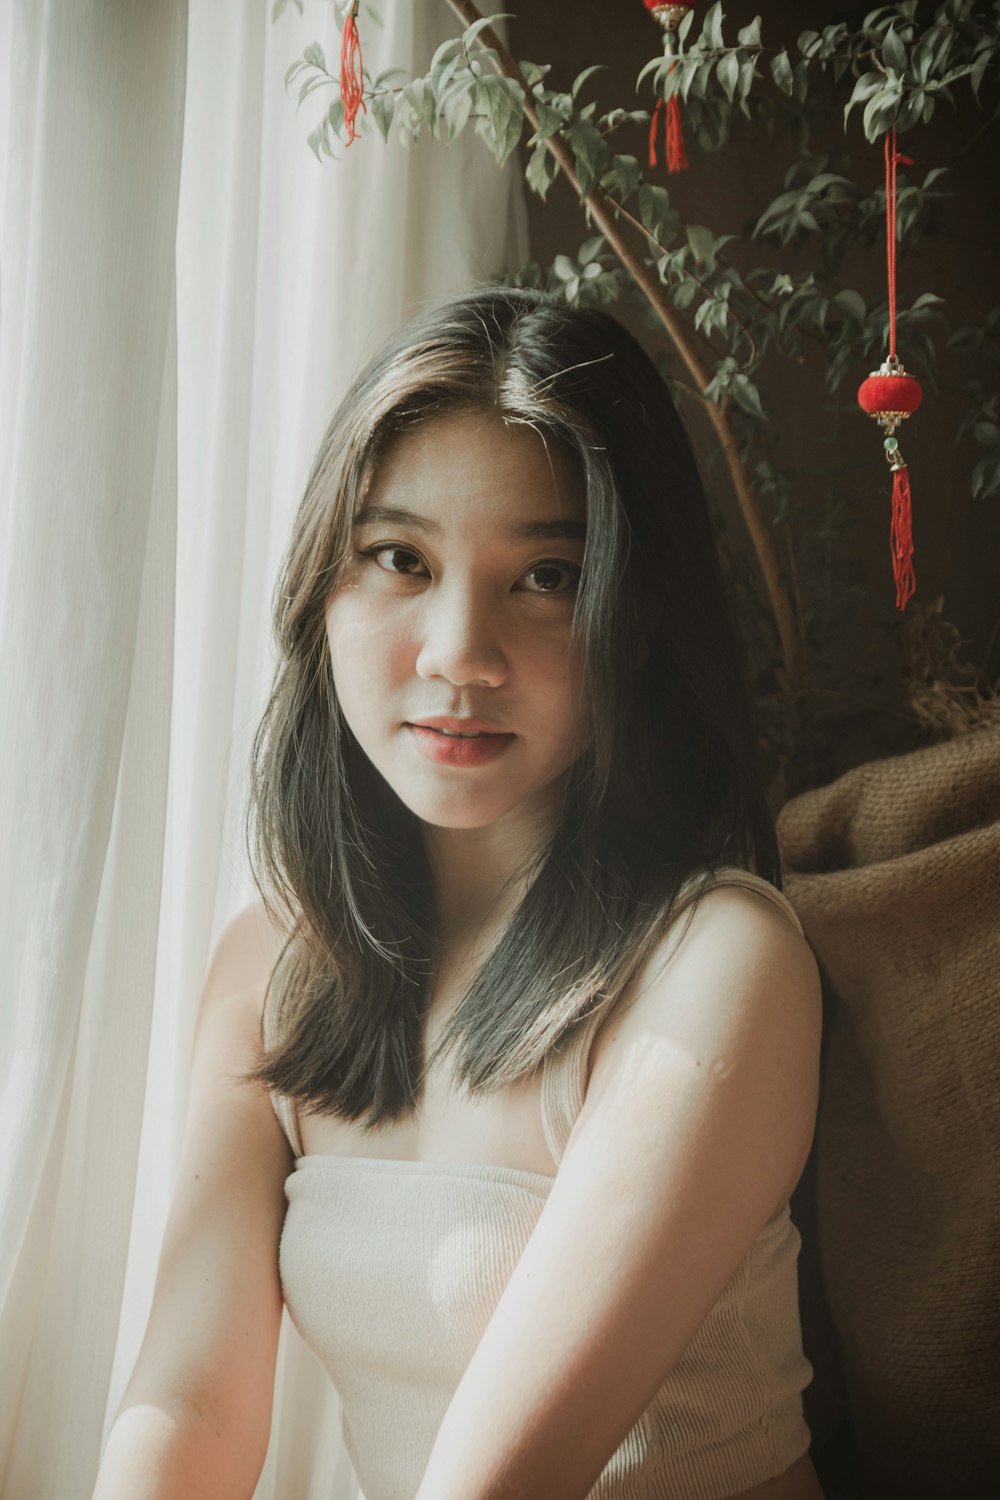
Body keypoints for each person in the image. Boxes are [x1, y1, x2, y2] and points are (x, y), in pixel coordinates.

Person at [92, 287, 824, 1500]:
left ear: (634, 620)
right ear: (320, 589)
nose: (457, 653)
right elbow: (189, 1399)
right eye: (399, 559)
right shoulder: (274, 965)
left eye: (544, 576)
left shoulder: (714, 962)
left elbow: (502, 1483)